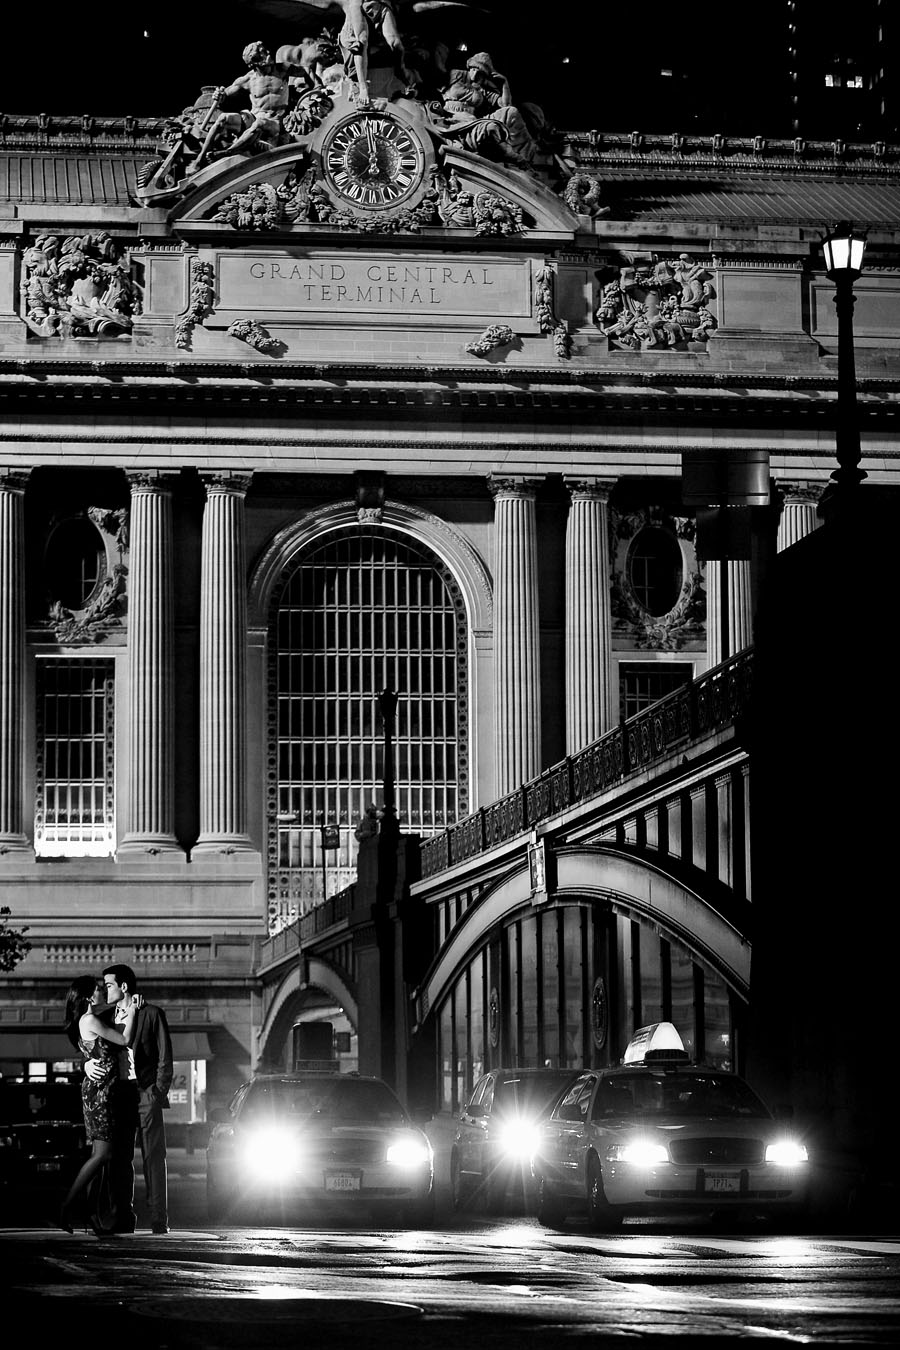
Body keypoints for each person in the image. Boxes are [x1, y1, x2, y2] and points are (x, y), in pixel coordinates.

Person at [84, 963, 173, 1234]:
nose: (104, 989)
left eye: (108, 985)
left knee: (153, 1158)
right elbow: (89, 1048)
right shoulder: (105, 1017)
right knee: (119, 1159)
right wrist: (86, 1065)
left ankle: (159, 1219)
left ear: (123, 986)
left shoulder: (152, 1013)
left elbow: (164, 1056)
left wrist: (158, 1092)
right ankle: (123, 1217)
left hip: (146, 1092)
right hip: (118, 1094)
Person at [60, 976, 141, 1235]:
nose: (101, 991)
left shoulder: (89, 1019)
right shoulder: (91, 1020)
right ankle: (66, 1208)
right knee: (102, 1155)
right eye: (97, 989)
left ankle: (90, 1215)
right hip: (101, 1093)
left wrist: (128, 1007)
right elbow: (124, 1039)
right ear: (87, 996)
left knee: (102, 1155)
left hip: (101, 1089)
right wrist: (133, 1012)